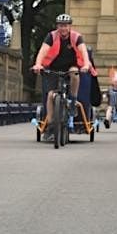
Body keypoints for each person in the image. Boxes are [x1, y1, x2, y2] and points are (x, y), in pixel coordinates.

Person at [31, 13, 92, 141]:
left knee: (75, 73)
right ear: (57, 26)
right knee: (50, 95)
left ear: (70, 26)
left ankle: (73, 101)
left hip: (71, 66)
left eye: (65, 26)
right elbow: (42, 51)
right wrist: (37, 64)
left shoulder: (76, 37)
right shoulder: (51, 36)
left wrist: (86, 64)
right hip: (53, 68)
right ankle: (52, 125)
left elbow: (83, 52)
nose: (63, 28)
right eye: (60, 25)